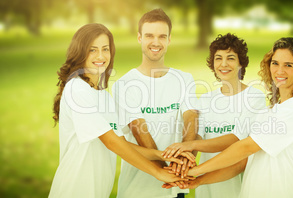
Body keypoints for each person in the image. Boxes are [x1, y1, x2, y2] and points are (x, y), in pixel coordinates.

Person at [49, 23, 192, 198]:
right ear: (79, 52)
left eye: (105, 49)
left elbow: (122, 142)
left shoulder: (103, 95)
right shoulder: (77, 89)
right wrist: (158, 173)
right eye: (92, 50)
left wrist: (160, 154)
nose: (100, 56)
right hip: (73, 190)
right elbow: (112, 142)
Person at [185, 37, 293, 197]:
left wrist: (196, 170)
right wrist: (199, 180)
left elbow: (246, 146)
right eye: (275, 63)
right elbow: (242, 162)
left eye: (288, 65)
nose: (279, 71)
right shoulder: (271, 110)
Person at [161, 33, 267, 197]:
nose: (223, 64)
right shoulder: (206, 99)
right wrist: (183, 166)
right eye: (218, 58)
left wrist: (189, 146)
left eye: (230, 58)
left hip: (238, 188)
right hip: (207, 187)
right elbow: (198, 137)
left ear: (241, 63)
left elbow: (235, 139)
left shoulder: (254, 98)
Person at [112, 9, 199, 198]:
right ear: (139, 38)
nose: (156, 42)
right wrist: (171, 173)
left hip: (175, 190)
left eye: (162, 36)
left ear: (169, 39)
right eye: (149, 35)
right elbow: (139, 131)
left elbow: (191, 117)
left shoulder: (184, 78)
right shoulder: (124, 85)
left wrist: (183, 162)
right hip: (137, 190)